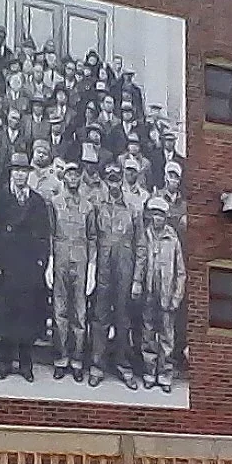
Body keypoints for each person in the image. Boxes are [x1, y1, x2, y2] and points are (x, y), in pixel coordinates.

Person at [0, 153, 51, 382]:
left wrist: (41, 262)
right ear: (11, 173)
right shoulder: (2, 198)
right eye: (16, 170)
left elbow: (45, 235)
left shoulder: (37, 201)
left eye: (24, 171)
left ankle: (25, 363)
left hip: (29, 268)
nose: (20, 175)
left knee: (27, 315)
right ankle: (5, 362)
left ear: (29, 174)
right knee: (5, 314)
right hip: (6, 265)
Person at [89, 164, 142, 389]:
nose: (113, 183)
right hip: (103, 269)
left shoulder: (133, 208)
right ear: (106, 180)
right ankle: (96, 366)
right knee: (100, 317)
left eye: (116, 178)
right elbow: (91, 238)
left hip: (125, 271)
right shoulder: (97, 206)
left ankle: (123, 365)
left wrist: (137, 278)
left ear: (122, 180)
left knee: (123, 319)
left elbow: (140, 245)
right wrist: (91, 269)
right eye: (109, 179)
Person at [47, 165, 95, 380]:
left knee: (80, 314)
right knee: (59, 312)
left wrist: (92, 267)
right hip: (60, 261)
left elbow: (92, 237)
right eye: (69, 174)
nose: (73, 178)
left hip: (81, 263)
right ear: (64, 177)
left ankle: (77, 361)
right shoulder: (55, 203)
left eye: (76, 174)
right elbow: (50, 233)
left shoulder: (88, 206)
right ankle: (61, 359)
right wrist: (49, 261)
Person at [137, 195, 186, 393]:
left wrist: (177, 296)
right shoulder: (146, 235)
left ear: (166, 217)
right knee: (148, 333)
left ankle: (165, 374)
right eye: (154, 215)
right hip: (150, 293)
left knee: (167, 337)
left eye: (161, 215)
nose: (157, 219)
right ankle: (149, 373)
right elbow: (140, 262)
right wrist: (137, 284)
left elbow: (181, 272)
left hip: (167, 295)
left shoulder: (173, 239)